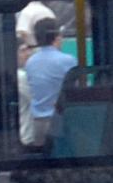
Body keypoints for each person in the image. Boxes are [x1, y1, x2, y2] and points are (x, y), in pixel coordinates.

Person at [18, 14, 77, 152]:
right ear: (56, 37)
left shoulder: (31, 63)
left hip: (38, 123)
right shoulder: (68, 61)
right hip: (61, 120)